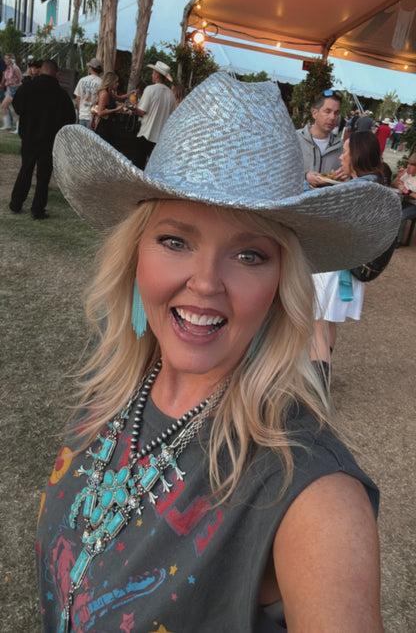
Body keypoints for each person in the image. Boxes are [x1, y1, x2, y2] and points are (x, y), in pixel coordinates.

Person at [39, 73, 400, 632]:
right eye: (175, 241)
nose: (205, 283)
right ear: (135, 255)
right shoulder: (111, 387)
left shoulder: (313, 494)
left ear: (283, 282)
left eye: (249, 255)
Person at [311, 131, 390, 362]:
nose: (341, 157)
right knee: (327, 323)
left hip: (335, 270)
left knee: (318, 327)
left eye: (345, 151)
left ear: (357, 155)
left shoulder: (355, 190)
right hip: (347, 268)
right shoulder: (375, 184)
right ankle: (323, 373)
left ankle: (318, 381)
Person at [8, 59, 76, 220]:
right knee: (43, 176)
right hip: (49, 140)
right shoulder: (61, 94)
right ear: (56, 73)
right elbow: (70, 118)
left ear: (41, 70)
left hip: (29, 137)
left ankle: (16, 203)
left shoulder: (27, 88)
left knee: (25, 169)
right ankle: (37, 209)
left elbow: (17, 106)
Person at [296, 89, 345, 188]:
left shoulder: (341, 148)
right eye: (327, 111)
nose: (332, 117)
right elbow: (279, 172)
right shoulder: (294, 140)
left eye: (336, 113)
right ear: (314, 113)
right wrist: (305, 177)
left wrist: (345, 177)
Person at [134, 60, 176, 169]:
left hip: (146, 133)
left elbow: (141, 111)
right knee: (154, 168)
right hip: (160, 137)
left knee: (138, 166)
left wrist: (133, 107)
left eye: (153, 73)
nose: (152, 75)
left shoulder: (150, 89)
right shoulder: (171, 95)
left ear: (157, 74)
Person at [391, 152, 416, 245]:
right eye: (408, 163)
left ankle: (398, 241)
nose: (408, 166)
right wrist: (398, 176)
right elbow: (393, 185)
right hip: (403, 200)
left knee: (402, 215)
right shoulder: (406, 173)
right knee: (388, 208)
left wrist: (406, 191)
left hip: (414, 205)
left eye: (412, 164)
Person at [74, 57, 103, 127]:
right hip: (93, 117)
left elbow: (78, 98)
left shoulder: (82, 80)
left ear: (91, 68)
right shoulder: (101, 83)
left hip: (82, 116)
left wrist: (81, 111)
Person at [0, 53, 22, 129]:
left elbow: (21, 80)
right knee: (3, 106)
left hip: (16, 89)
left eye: (6, 59)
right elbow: (6, 77)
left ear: (11, 60)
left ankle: (18, 128)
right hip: (10, 90)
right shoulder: (8, 68)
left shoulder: (15, 68)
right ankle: (7, 125)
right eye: (5, 58)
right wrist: (2, 84)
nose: (5, 60)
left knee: (16, 109)